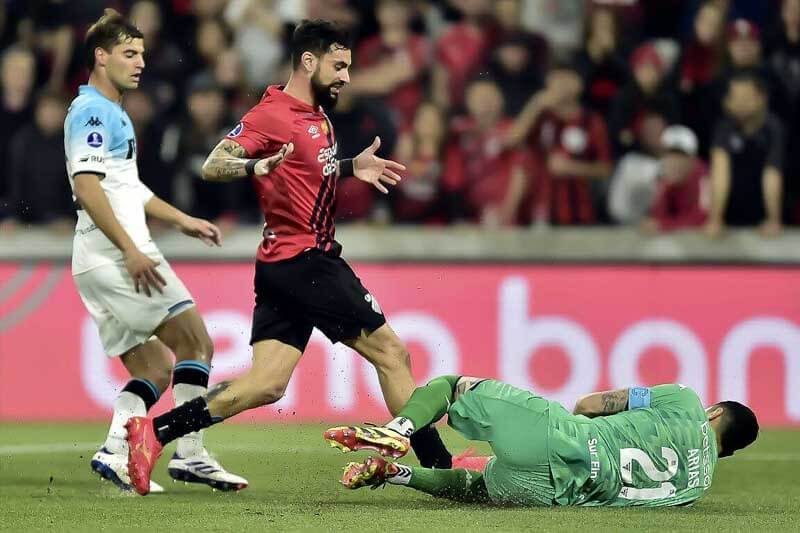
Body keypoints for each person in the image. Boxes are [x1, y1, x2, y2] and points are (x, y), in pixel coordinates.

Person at [125, 19, 453, 496]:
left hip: (283, 266)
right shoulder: (272, 112)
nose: (345, 76)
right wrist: (253, 164)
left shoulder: (317, 115)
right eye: (338, 66)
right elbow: (214, 162)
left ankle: (152, 435)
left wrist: (348, 167)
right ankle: (441, 468)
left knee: (266, 384)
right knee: (392, 354)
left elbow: (304, 170)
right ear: (308, 61)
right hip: (308, 261)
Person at [65, 9, 246, 493]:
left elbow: (127, 188)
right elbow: (87, 185)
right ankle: (191, 454)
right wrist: (130, 249)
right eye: (129, 53)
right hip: (118, 254)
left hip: (95, 259)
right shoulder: (94, 112)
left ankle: (114, 449)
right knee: (197, 344)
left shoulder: (112, 111)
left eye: (142, 53)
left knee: (155, 368)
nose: (141, 62)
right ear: (100, 58)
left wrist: (181, 219)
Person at [326, 376, 758, 507]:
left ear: (714, 414)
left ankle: (396, 433)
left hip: (564, 439)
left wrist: (569, 427)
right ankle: (395, 474)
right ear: (729, 451)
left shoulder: (686, 402)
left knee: (453, 386)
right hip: (558, 493)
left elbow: (592, 404)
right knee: (479, 489)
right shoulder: (696, 490)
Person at [705, 72, 784, 237]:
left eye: (746, 97)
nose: (739, 103)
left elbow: (772, 173)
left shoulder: (773, 128)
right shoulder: (724, 127)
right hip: (731, 210)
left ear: (762, 98)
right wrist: (715, 218)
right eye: (735, 97)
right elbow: (720, 172)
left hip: (762, 208)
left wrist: (773, 219)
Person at [640, 125, 709, 233]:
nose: (675, 162)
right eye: (670, 155)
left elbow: (702, 218)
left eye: (681, 156)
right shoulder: (662, 177)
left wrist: (664, 225)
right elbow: (657, 216)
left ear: (692, 159)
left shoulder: (704, 177)